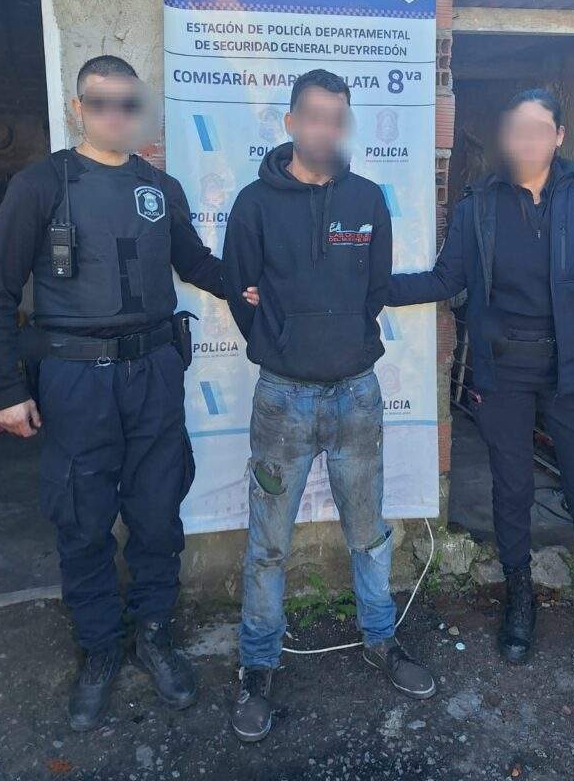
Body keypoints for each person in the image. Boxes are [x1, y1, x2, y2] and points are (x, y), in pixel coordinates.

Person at [0, 55, 258, 731]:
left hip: (153, 373)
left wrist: (251, 282)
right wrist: (5, 389)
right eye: (100, 103)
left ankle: (155, 634)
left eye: (127, 104)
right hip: (75, 380)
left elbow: (195, 263)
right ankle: (100, 647)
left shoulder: (159, 186)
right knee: (82, 517)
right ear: (78, 109)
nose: (114, 115)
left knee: (158, 513)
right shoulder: (40, 185)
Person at [387, 88, 574, 672]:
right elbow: (445, 279)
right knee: (511, 489)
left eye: (539, 129)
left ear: (559, 136)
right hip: (503, 372)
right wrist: (369, 286)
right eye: (517, 130)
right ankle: (520, 599)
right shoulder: (477, 208)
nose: (527, 140)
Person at [222, 68, 436, 744]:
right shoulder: (254, 203)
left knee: (368, 535)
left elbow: (375, 290)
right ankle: (258, 665)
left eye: (337, 118)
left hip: (356, 397)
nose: (325, 129)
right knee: (268, 545)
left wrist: (340, 340)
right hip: (281, 400)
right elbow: (238, 289)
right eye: (313, 116)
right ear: (291, 123)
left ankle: (381, 640)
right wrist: (278, 342)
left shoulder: (368, 198)